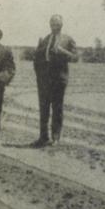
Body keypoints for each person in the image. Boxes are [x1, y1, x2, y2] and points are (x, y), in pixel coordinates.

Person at [32, 14, 77, 148]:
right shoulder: (45, 39)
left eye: (57, 24)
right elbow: (37, 58)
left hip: (58, 79)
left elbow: (75, 57)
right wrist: (39, 75)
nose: (54, 27)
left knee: (57, 108)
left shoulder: (68, 40)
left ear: (61, 25)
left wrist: (62, 51)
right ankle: (43, 137)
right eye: (52, 24)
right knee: (43, 108)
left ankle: (55, 137)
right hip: (44, 80)